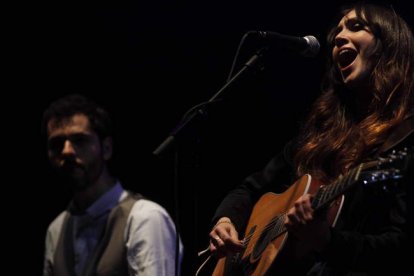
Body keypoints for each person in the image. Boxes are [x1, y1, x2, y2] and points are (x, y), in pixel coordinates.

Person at [208, 3, 413, 276]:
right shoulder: (320, 132)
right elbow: (250, 188)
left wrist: (327, 241)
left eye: (355, 27)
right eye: (337, 31)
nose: (339, 37)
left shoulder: (403, 138)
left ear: (388, 44)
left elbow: (401, 249)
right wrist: (226, 219)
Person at [42, 94, 183, 276]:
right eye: (56, 143)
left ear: (106, 148)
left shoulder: (144, 218)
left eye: (80, 140)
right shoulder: (56, 229)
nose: (67, 151)